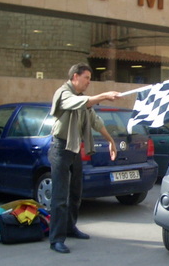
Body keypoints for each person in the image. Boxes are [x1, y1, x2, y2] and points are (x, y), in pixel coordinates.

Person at [48, 63, 120, 254]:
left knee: (75, 192)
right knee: (60, 196)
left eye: (89, 78)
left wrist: (111, 140)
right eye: (86, 77)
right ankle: (56, 238)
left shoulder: (83, 99)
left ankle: (70, 228)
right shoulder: (64, 93)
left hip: (74, 149)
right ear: (75, 77)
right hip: (60, 148)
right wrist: (104, 96)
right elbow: (78, 103)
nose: (89, 81)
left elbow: (95, 120)